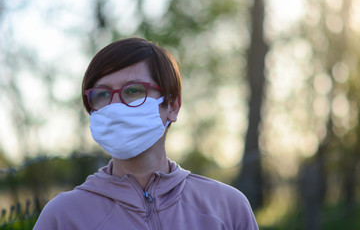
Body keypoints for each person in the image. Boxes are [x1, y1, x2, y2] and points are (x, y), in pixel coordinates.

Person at [33, 37, 259, 230]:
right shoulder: (62, 217)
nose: (115, 107)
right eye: (102, 94)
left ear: (172, 105)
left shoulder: (227, 208)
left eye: (133, 91)